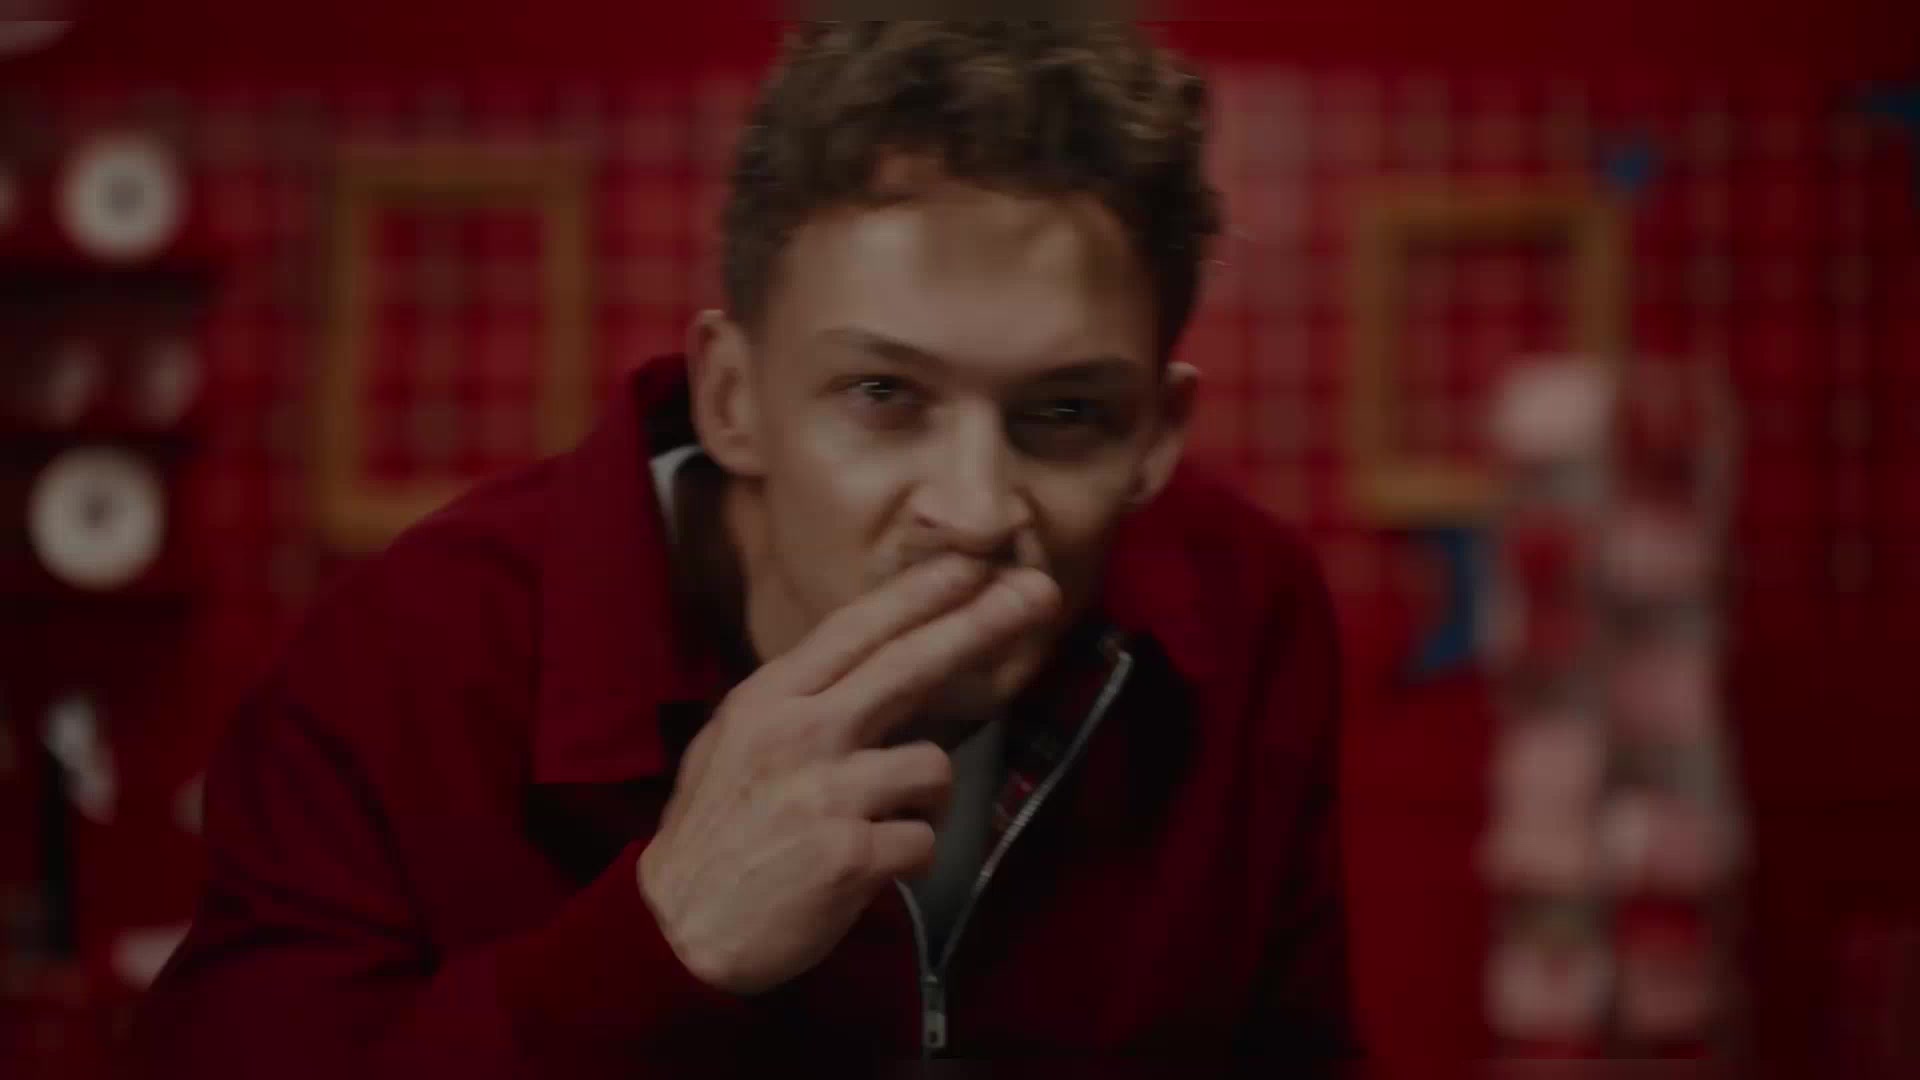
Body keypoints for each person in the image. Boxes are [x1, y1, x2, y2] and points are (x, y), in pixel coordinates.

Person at [130, 20, 1356, 1075]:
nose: (976, 508)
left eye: (1068, 412)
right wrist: (658, 942)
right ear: (732, 396)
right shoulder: (414, 653)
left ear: (1156, 435)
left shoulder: (1246, 611)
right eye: (883, 394)